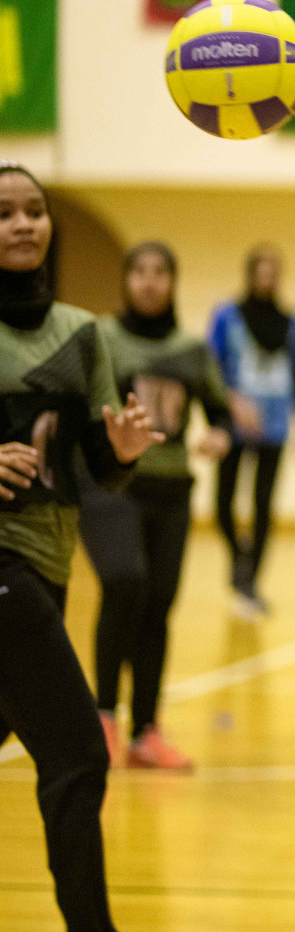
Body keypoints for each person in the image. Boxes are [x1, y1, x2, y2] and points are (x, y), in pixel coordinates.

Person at [0, 161, 161, 932]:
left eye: (34, 210)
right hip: (4, 567)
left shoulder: (79, 332)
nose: (24, 224)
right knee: (77, 757)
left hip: (48, 560)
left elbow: (97, 474)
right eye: (4, 214)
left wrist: (121, 451)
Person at [80, 241, 244, 771]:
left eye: (160, 273)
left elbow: (220, 412)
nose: (149, 282)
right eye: (140, 272)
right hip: (114, 487)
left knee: (158, 607)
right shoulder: (104, 338)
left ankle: (146, 730)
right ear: (126, 279)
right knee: (125, 583)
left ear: (173, 282)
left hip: (173, 490)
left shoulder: (193, 349)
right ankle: (104, 717)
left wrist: (219, 435)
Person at [207, 245, 295, 619]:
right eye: (260, 273)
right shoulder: (226, 317)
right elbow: (212, 368)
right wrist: (232, 403)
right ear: (249, 274)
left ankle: (250, 583)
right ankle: (241, 557)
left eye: (273, 274)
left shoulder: (290, 322)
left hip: (276, 424)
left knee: (263, 504)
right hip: (236, 423)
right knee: (222, 505)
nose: (266, 280)